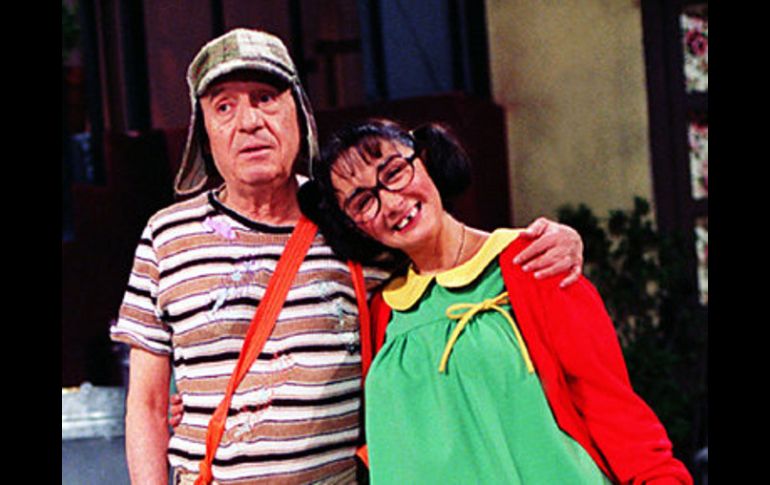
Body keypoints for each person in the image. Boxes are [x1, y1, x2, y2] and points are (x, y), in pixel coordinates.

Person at [111, 29, 585, 485]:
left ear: (299, 113)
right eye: (224, 106)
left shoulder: (354, 218)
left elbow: (454, 257)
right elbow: (148, 405)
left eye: (266, 97)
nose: (249, 121)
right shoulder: (166, 235)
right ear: (204, 132)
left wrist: (548, 241)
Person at [297, 119, 694, 484]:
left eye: (394, 172)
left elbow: (613, 411)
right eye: (362, 201)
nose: (391, 202)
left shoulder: (533, 263)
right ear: (354, 226)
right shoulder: (383, 311)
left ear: (425, 160)